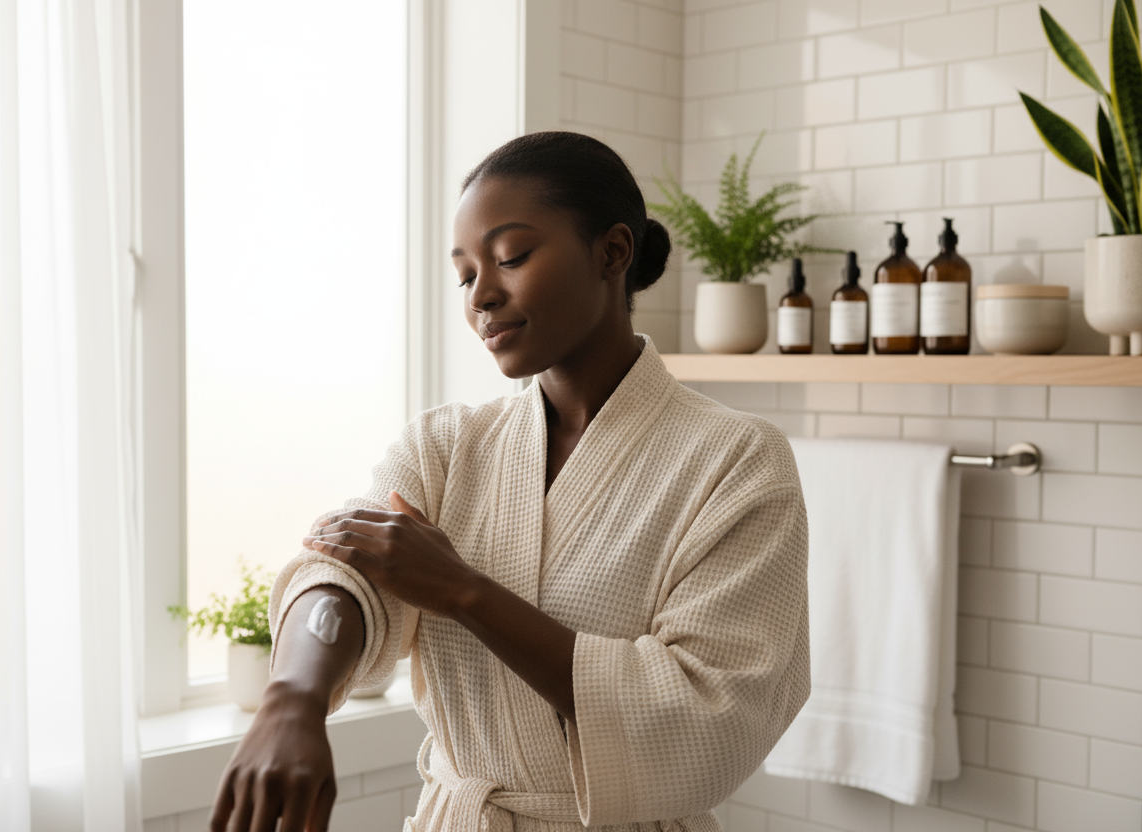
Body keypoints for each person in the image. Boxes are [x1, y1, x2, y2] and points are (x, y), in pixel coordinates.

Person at [209, 132, 810, 832]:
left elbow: (709, 715)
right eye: (466, 276)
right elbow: (341, 575)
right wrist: (292, 699)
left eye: (512, 257)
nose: (482, 296)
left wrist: (465, 592)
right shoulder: (446, 444)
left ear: (612, 253)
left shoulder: (735, 461)